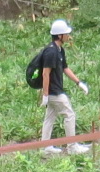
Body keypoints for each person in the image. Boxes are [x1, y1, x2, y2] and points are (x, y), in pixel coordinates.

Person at [33, 19, 90, 155]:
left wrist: (79, 83)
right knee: (69, 114)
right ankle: (72, 147)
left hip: (54, 91)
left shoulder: (59, 50)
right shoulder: (51, 52)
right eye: (66, 34)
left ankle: (45, 146)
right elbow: (45, 74)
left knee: (50, 117)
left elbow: (65, 68)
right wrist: (45, 95)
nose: (68, 36)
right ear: (59, 36)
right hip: (54, 92)